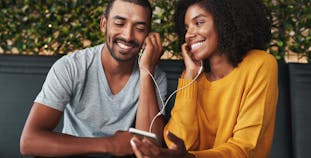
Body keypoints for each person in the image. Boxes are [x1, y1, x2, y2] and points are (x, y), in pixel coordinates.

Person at [130, 0, 278, 157]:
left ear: (225, 21)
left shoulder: (260, 64)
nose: (189, 34)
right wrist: (190, 76)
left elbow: (246, 148)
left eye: (199, 23)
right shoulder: (192, 78)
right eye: (186, 28)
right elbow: (178, 144)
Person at [20, 0, 167, 157]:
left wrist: (146, 71)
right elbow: (29, 141)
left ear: (148, 36)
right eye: (119, 23)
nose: (128, 36)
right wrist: (110, 144)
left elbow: (150, 147)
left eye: (139, 28)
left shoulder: (154, 76)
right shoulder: (71, 67)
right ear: (104, 24)